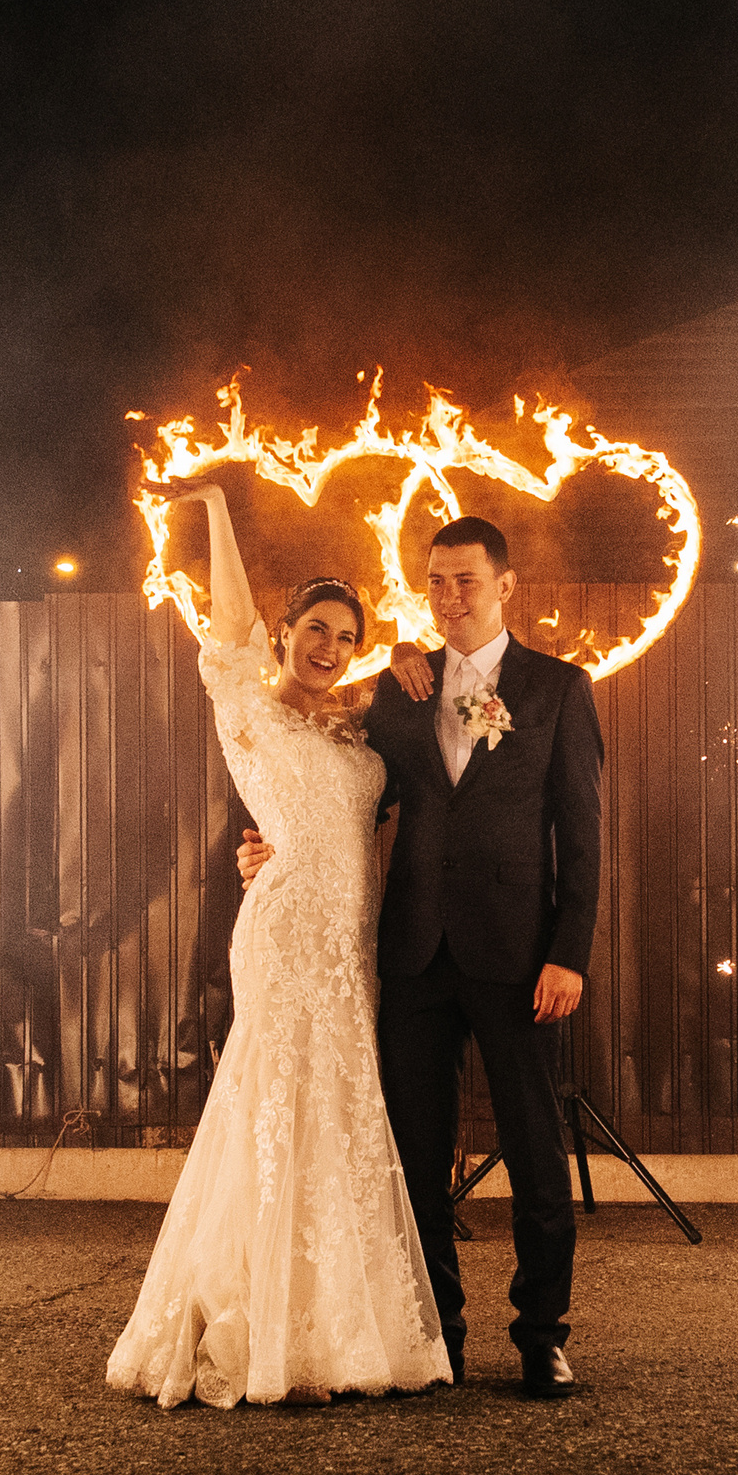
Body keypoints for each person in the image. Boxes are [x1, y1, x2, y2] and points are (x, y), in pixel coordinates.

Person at [105, 481, 453, 1409]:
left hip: (353, 942)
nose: (327, 647)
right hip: (285, 927)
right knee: (272, 1103)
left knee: (339, 1108)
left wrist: (414, 652)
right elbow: (229, 624)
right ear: (288, 630)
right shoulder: (249, 709)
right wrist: (216, 509)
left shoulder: (359, 722)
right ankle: (245, 1315)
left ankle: (333, 1321)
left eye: (345, 635)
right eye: (315, 629)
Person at [241, 515, 602, 1399]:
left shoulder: (558, 688)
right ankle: (435, 1332)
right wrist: (269, 848)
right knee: (413, 1152)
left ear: (504, 586)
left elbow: (583, 836)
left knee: (535, 1150)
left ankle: (541, 1333)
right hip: (410, 954)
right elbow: (339, 794)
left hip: (518, 958)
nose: (448, 596)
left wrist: (570, 952)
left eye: (465, 580)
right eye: (435, 581)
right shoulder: (400, 689)